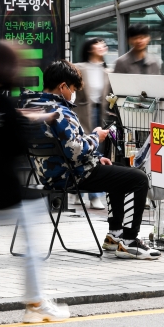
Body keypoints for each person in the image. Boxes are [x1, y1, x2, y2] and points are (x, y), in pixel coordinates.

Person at [0, 41, 70, 323]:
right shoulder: (1, 101)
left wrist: (21, 118)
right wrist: (26, 121)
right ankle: (35, 303)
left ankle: (36, 302)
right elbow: (16, 144)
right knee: (34, 230)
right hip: (4, 186)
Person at [27, 60, 161, 260]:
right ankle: (130, 242)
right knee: (138, 178)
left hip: (47, 175)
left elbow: (64, 149)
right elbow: (74, 149)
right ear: (63, 86)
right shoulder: (60, 113)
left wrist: (96, 158)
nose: (73, 93)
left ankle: (115, 235)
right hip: (72, 176)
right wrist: (96, 137)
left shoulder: (32, 106)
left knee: (115, 171)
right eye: (72, 88)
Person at [73, 38, 112, 210]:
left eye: (104, 44)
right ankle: (92, 195)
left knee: (98, 151)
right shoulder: (80, 67)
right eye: (98, 43)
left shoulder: (107, 71)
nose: (102, 46)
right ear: (89, 48)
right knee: (85, 149)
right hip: (82, 113)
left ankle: (85, 191)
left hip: (101, 113)